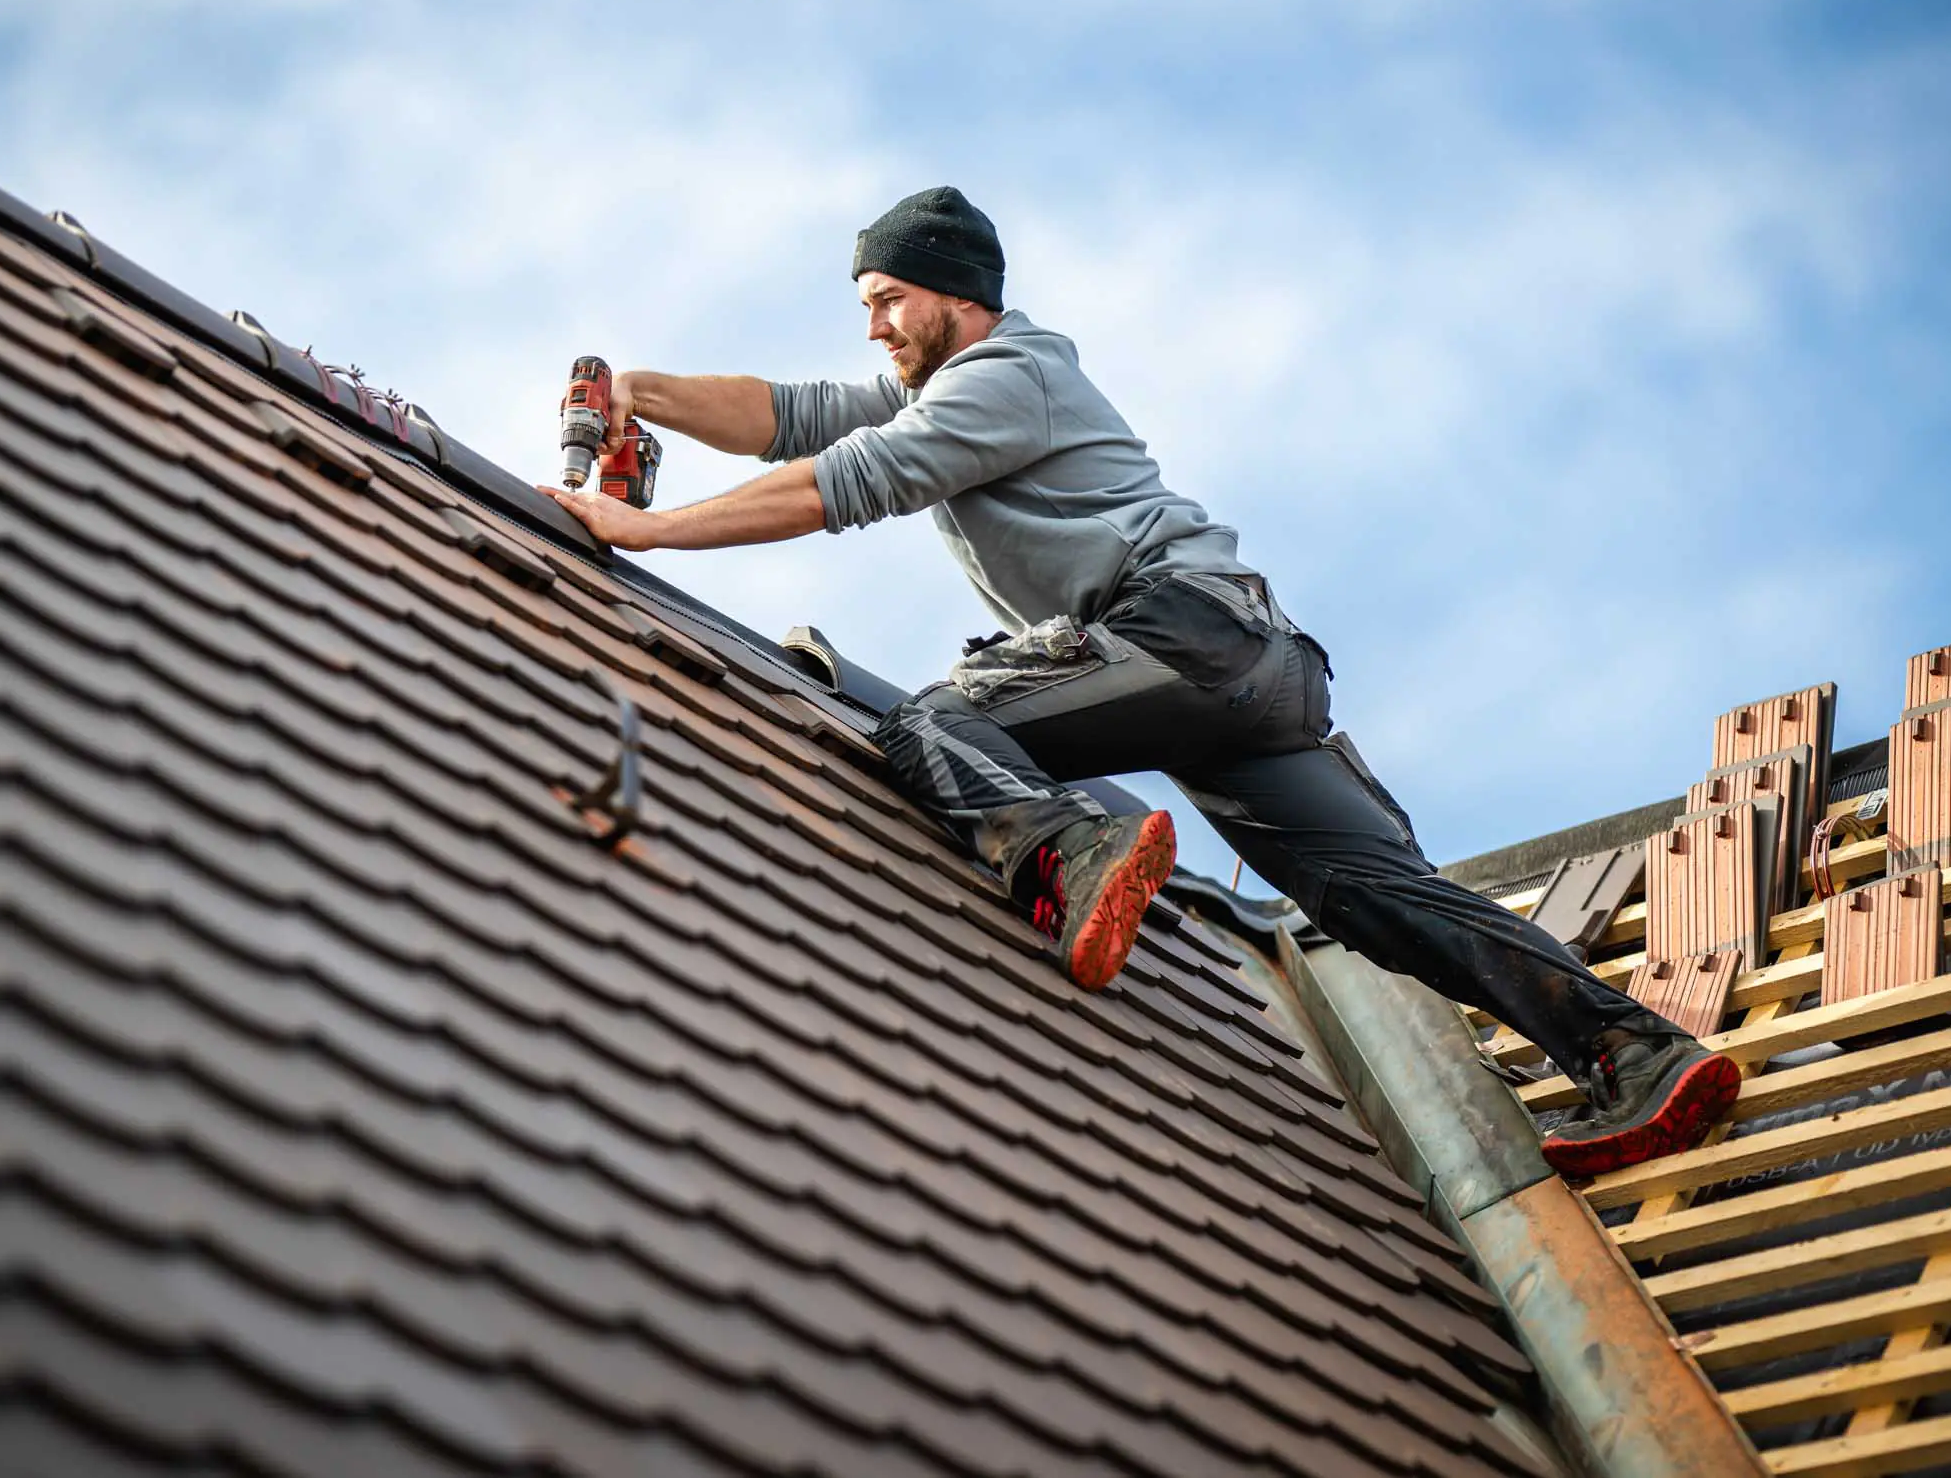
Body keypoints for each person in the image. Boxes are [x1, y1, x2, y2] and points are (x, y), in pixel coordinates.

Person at [541, 186, 1738, 1176]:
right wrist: (642, 395)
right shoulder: (946, 380)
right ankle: (1638, 1055)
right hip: (1247, 675)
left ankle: (1072, 850)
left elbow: (841, 480)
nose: (872, 328)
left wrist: (637, 531)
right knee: (1376, 897)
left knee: (938, 721)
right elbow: (789, 418)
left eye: (886, 300)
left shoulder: (1006, 377)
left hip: (1182, 636)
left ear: (958, 293)